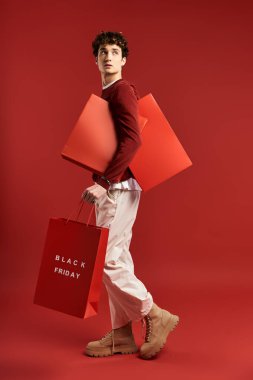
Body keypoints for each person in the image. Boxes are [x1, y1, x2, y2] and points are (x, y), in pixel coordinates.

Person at [81, 31, 179, 360]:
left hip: (118, 187)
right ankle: (121, 335)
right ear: (95, 60)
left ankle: (154, 313)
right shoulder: (108, 92)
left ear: (123, 60)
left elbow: (133, 141)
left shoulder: (122, 90)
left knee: (107, 261)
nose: (108, 57)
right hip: (114, 185)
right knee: (118, 258)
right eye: (102, 52)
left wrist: (104, 182)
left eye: (114, 52)